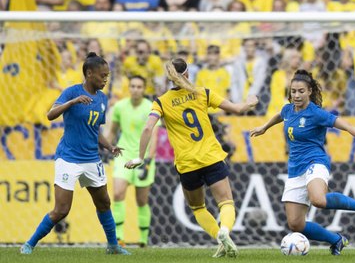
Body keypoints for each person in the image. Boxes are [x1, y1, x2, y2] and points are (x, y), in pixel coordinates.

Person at [250, 69, 355, 256]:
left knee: (318, 199)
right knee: (295, 224)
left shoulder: (317, 114)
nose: (296, 95)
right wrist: (264, 127)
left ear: (309, 91)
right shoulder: (288, 109)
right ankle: (336, 240)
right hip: (295, 169)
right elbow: (280, 115)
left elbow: (348, 126)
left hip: (315, 161)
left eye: (301, 91)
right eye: (293, 91)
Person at [125, 58, 258, 258]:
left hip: (187, 164)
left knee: (197, 207)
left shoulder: (161, 102)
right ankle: (225, 231)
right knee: (226, 202)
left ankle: (218, 237)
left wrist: (139, 157)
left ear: (170, 78)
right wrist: (251, 100)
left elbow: (147, 128)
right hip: (211, 157)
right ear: (187, 74)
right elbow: (238, 109)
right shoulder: (202, 93)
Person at [20, 52, 130, 255]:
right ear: (89, 73)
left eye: (107, 75)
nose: (106, 79)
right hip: (69, 158)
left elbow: (94, 129)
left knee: (104, 202)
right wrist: (73, 102)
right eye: (102, 75)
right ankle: (29, 244)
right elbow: (50, 115)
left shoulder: (103, 99)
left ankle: (113, 246)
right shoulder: (71, 92)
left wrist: (109, 147)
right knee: (61, 210)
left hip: (91, 159)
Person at [108, 75, 157, 247]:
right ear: (129, 88)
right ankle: (119, 237)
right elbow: (112, 130)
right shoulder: (120, 106)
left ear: (144, 89)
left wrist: (148, 161)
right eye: (133, 86)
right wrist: (107, 148)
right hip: (123, 155)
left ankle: (143, 239)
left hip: (143, 158)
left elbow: (154, 137)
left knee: (142, 200)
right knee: (117, 193)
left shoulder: (150, 107)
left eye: (139, 87)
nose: (135, 89)